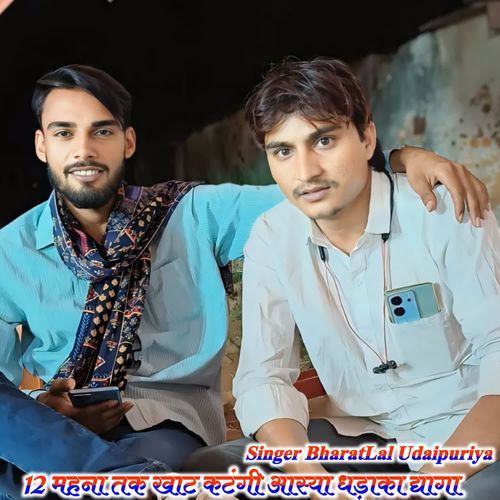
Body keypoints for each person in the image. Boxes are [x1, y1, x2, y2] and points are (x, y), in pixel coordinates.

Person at [0, 63, 490, 498]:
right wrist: (45, 409)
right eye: (63, 133)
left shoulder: (191, 212)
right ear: (42, 145)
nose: (83, 150)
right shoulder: (9, 250)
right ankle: (109, 481)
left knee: (184, 473)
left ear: (127, 141)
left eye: (101, 131)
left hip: (160, 426)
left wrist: (400, 159)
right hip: (45, 431)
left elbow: (314, 193)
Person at [184, 58, 500, 499]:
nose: (306, 171)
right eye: (283, 151)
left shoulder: (441, 210)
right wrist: (307, 474)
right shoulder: (273, 236)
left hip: (469, 438)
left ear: (366, 137)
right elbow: (263, 377)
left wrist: (429, 484)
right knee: (212, 470)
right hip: (368, 437)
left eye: (324, 140)